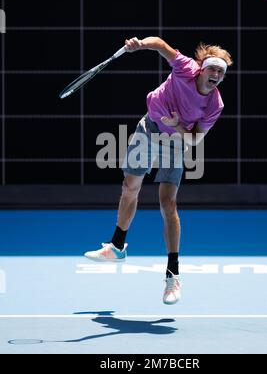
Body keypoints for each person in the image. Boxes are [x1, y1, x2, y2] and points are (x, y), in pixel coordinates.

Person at [84, 36, 233, 305]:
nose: (216, 74)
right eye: (213, 68)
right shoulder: (185, 68)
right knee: (130, 187)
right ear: (202, 68)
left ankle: (172, 275)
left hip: (176, 142)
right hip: (148, 129)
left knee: (167, 203)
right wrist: (139, 44)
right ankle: (117, 246)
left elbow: (194, 140)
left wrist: (177, 126)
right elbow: (160, 45)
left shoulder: (214, 105)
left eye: (221, 72)